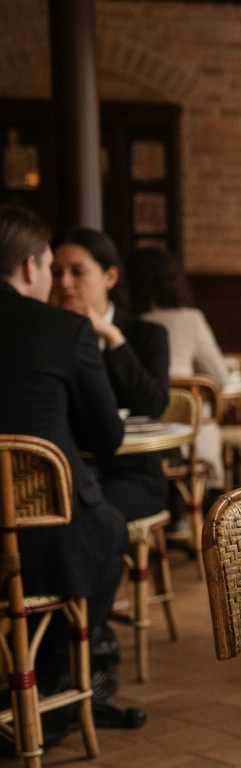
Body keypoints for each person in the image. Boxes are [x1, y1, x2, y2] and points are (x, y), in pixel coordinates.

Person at [0, 205, 143, 736]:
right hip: (42, 540)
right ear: (32, 267)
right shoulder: (61, 330)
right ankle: (57, 683)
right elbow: (107, 437)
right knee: (105, 530)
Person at [51, 228, 171, 524]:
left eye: (77, 272)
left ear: (110, 277)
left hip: (134, 472)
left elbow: (153, 406)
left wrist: (113, 339)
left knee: (89, 519)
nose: (64, 282)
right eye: (56, 272)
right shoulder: (50, 335)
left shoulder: (147, 335)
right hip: (71, 469)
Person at [124, 245, 230, 490]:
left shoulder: (123, 324)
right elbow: (220, 378)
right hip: (189, 439)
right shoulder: (190, 319)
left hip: (137, 441)